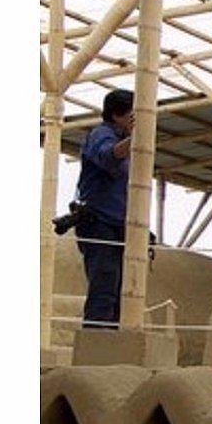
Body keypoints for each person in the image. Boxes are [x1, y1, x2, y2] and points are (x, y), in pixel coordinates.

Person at [73, 89, 134, 328]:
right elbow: (108, 156)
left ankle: (111, 340)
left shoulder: (123, 138)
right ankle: (96, 339)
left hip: (119, 223)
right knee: (104, 285)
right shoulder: (101, 134)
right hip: (99, 222)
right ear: (118, 114)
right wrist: (135, 138)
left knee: (119, 290)